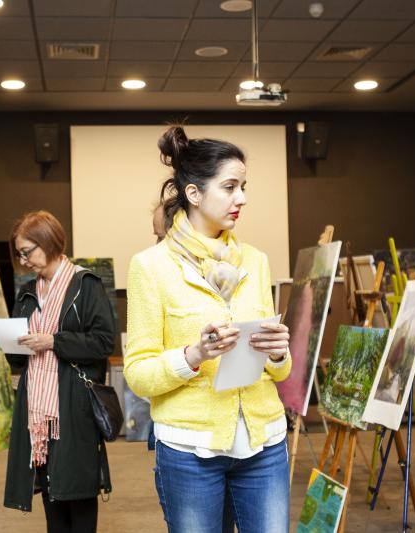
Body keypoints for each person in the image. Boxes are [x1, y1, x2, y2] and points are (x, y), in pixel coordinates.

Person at [125, 126, 292, 533]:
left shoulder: (255, 260)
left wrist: (277, 353)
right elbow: (139, 374)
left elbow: (280, 372)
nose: (243, 198)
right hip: (189, 449)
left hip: (264, 443)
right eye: (231, 186)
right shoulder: (151, 266)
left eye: (244, 186)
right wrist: (193, 355)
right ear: (195, 194)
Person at [3, 210, 116, 533]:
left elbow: (102, 342)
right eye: (20, 254)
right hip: (37, 411)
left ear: (49, 243)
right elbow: (19, 359)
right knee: (50, 490)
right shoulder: (27, 291)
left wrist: (53, 340)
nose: (24, 261)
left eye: (28, 251)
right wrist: (14, 346)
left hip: (73, 405)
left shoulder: (85, 285)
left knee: (78, 490)